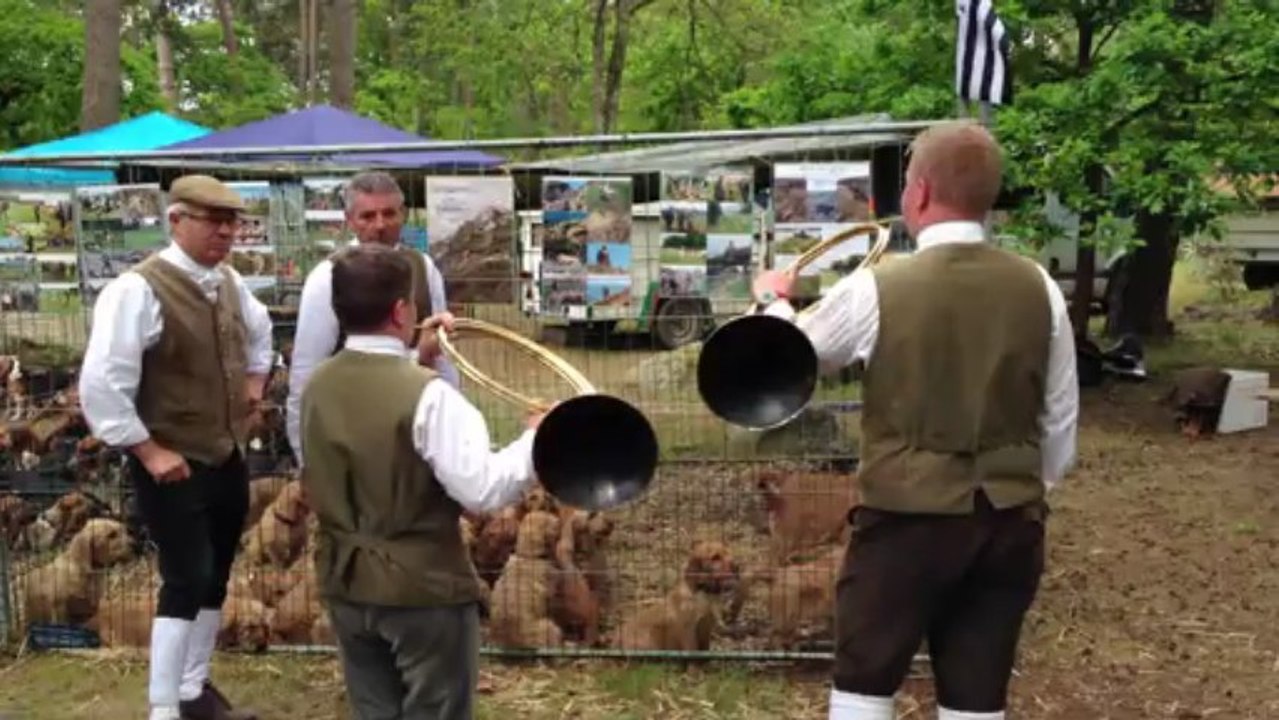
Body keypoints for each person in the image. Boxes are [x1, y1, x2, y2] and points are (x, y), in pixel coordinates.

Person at [752, 121, 1079, 720]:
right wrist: (1021, 493)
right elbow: (1059, 422)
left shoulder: (876, 287)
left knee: (864, 687)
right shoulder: (1041, 287)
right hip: (1009, 524)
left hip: (904, 525)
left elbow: (797, 355)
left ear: (921, 193)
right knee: (977, 697)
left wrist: (775, 298)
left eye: (905, 182)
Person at [298, 243, 542, 719]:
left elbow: (373, 412)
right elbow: (484, 490)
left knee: (375, 710)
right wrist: (538, 439)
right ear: (401, 309)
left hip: (344, 581)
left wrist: (418, 355)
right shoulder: (432, 398)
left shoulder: (317, 385)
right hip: (421, 590)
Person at [79, 175, 274, 720]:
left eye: (232, 221)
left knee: (215, 573)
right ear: (176, 221)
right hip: (170, 462)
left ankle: (193, 691)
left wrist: (256, 384)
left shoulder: (231, 284)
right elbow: (102, 384)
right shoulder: (137, 289)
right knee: (184, 577)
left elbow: (260, 337)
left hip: (225, 454)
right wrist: (148, 451)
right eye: (213, 220)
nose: (226, 231)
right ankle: (164, 708)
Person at [286, 170, 458, 469]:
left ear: (403, 215)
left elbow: (443, 353)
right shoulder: (327, 277)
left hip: (418, 425)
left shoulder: (423, 267)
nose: (380, 225)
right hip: (354, 433)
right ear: (349, 220)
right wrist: (307, 461)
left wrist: (454, 420)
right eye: (367, 216)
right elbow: (305, 372)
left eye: (389, 214)